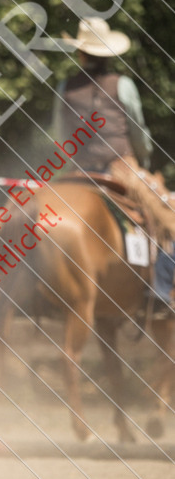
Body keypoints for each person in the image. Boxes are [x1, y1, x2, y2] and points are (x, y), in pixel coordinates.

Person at [53, 16, 175, 314]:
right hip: (120, 169)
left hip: (77, 172)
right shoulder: (124, 85)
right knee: (169, 221)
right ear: (108, 53)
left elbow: (59, 134)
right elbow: (138, 130)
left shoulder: (64, 87)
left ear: (80, 53)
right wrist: (144, 158)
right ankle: (159, 290)